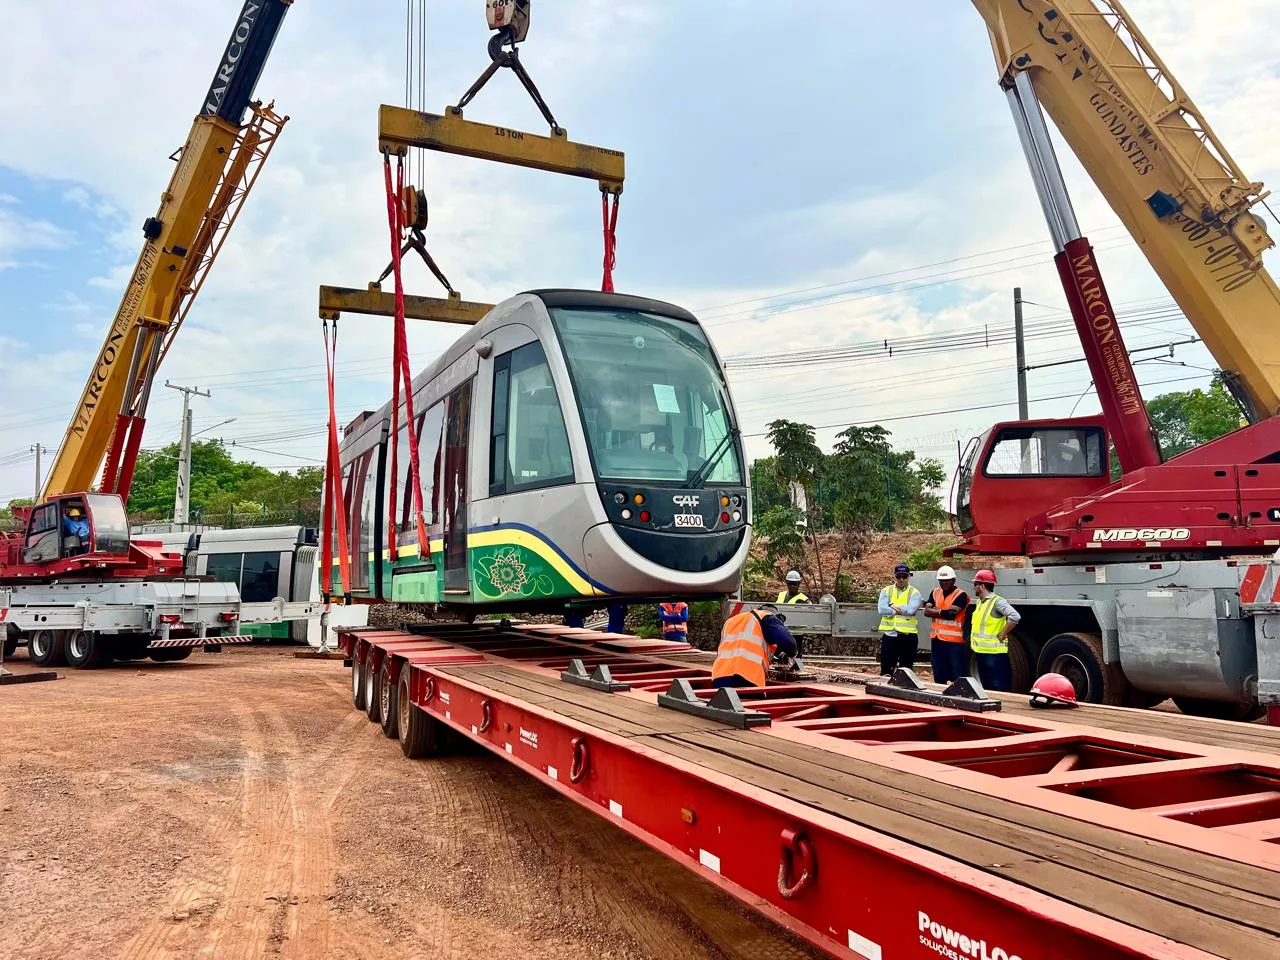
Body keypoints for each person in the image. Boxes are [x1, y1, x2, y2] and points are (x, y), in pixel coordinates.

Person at [711, 603, 798, 689]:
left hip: (720, 676)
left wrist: (778, 653)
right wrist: (792, 654)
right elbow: (789, 644)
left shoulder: (731, 621)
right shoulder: (766, 617)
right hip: (747, 677)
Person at [968, 569, 1021, 692]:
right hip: (981, 652)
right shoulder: (980, 603)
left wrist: (1003, 633)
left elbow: (1015, 616)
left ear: (982, 586)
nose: (974, 587)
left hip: (994, 654)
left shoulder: (997, 602)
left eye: (975, 584)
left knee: (999, 687)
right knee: (987, 688)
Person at [921, 565, 969, 683]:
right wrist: (942, 612)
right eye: (941, 581)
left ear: (953, 580)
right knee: (939, 672)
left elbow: (952, 614)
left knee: (957, 674)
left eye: (946, 581)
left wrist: (936, 611)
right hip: (937, 640)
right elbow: (926, 612)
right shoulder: (935, 592)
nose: (943, 583)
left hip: (954, 642)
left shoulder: (960, 595)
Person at [877, 563, 922, 676]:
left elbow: (911, 610)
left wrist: (891, 605)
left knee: (906, 672)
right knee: (886, 670)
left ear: (908, 577)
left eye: (904, 576)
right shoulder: (886, 591)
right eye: (898, 576)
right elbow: (882, 609)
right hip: (890, 635)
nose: (901, 579)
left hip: (908, 636)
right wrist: (896, 610)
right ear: (894, 577)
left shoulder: (915, 592)